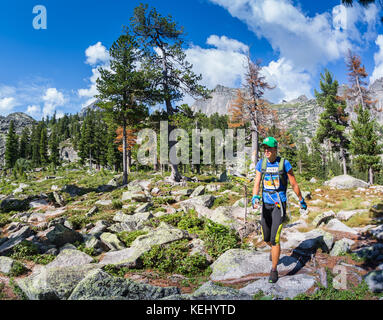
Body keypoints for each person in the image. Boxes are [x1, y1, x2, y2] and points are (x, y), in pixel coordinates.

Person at [252, 136, 307, 283]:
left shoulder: (284, 164)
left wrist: (301, 200)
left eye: (269, 148)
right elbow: (257, 183)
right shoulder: (261, 164)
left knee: (275, 239)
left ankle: (274, 270)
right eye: (265, 148)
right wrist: (254, 197)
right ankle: (274, 250)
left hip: (279, 205)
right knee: (266, 238)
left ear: (275, 149)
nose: (266, 151)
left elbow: (294, 184)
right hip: (265, 205)